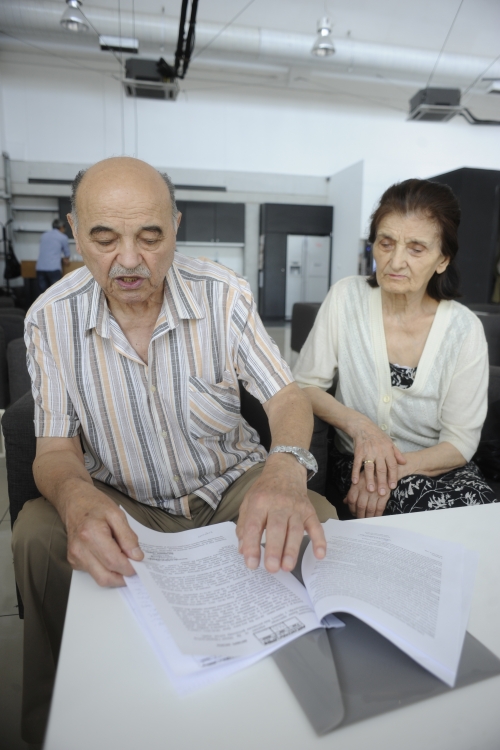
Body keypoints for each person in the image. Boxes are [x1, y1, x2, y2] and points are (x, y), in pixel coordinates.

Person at [12, 157, 337, 744]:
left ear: (175, 227)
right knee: (37, 530)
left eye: (150, 236)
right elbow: (55, 448)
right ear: (75, 230)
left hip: (228, 488)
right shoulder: (49, 320)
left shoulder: (224, 294)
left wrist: (286, 468)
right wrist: (76, 498)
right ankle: (51, 723)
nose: (130, 260)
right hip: (126, 500)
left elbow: (287, 396)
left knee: (319, 518)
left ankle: (309, 700)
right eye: (105, 238)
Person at [293, 178, 497, 519]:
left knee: (481, 520)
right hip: (359, 463)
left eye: (416, 249)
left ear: (443, 259)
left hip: (435, 467)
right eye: (386, 243)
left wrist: (394, 472)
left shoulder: (464, 329)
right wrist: (362, 427)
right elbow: (305, 386)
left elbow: (460, 442)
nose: (395, 261)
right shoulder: (347, 297)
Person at [36, 218, 71, 292]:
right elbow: (67, 253)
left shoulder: (44, 235)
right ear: (61, 227)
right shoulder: (63, 237)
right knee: (55, 292)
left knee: (42, 294)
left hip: (40, 268)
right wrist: (66, 259)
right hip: (53, 268)